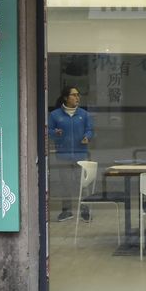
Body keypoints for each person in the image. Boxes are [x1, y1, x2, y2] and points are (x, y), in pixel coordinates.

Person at [48, 85, 94, 222]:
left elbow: (90, 130)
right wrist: (55, 133)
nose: (77, 97)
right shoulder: (55, 115)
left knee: (83, 184)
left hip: (81, 154)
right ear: (65, 98)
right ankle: (66, 211)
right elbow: (48, 131)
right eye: (74, 95)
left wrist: (87, 136)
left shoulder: (84, 114)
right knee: (65, 184)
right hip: (63, 154)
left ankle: (85, 210)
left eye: (78, 95)